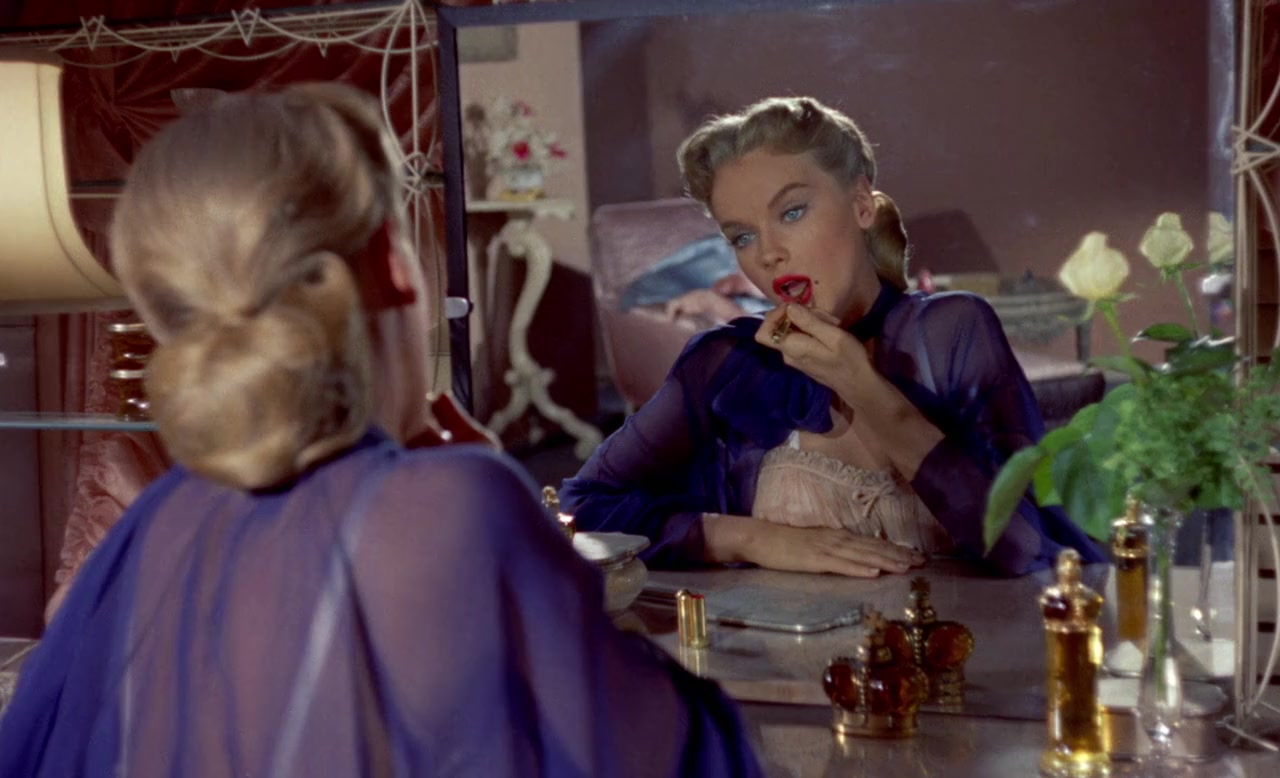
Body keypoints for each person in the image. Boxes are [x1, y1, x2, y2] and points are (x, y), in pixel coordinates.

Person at [0, 84, 759, 777]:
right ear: (396, 263)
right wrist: (499, 505)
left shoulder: (146, 531)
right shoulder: (453, 505)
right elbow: (685, 756)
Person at [560, 96, 1103, 578]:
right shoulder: (726, 362)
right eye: (742, 236)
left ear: (862, 204)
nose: (768, 253)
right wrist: (751, 539)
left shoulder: (952, 331)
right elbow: (580, 506)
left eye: (792, 212)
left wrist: (863, 387)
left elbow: (1022, 548)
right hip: (787, 655)